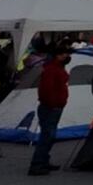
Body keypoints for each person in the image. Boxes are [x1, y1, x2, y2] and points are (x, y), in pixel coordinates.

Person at [28, 46, 70, 176]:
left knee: (49, 136)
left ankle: (44, 161)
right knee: (47, 136)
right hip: (51, 107)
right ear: (57, 55)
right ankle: (37, 164)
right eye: (63, 54)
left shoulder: (56, 68)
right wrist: (53, 104)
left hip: (54, 106)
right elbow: (46, 89)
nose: (66, 56)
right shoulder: (52, 69)